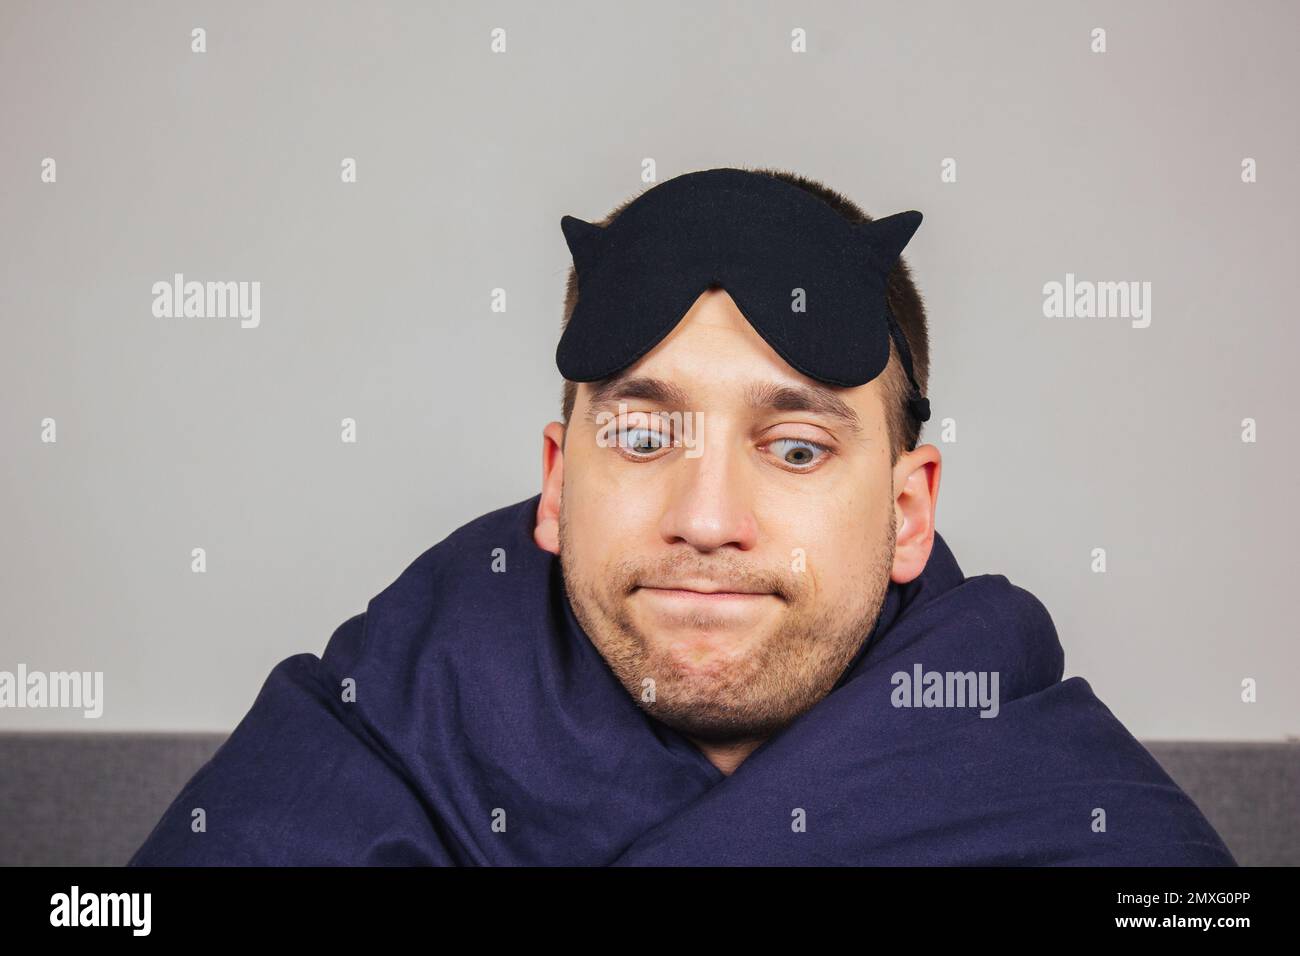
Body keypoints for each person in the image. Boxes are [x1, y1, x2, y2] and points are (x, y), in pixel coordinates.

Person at [128, 166, 1235, 866]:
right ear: (556, 484)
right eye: (644, 437)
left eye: (794, 447)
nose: (706, 519)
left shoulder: (1089, 832)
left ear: (907, 511)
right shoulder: (377, 727)